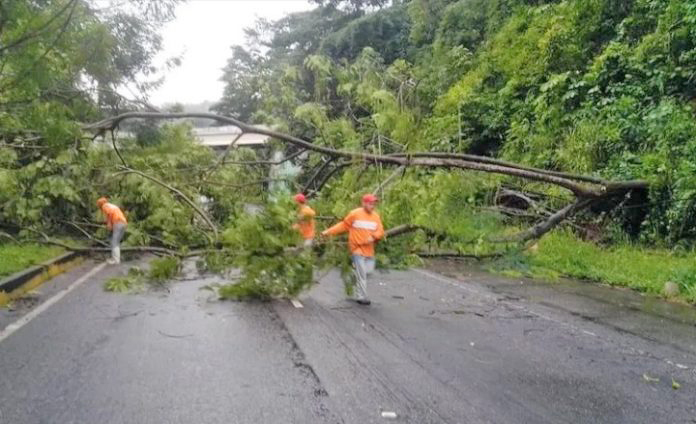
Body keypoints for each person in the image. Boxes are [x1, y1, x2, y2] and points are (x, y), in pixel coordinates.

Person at [321, 193, 384, 305]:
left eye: (374, 203)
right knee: (362, 274)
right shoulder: (354, 214)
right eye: (370, 203)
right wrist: (328, 232)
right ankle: (362, 297)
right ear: (363, 203)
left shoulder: (376, 217)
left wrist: (374, 236)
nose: (372, 206)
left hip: (369, 250)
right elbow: (343, 226)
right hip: (357, 249)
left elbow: (380, 231)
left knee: (368, 272)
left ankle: (356, 278)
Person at [96, 197, 127, 264]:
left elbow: (110, 213)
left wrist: (109, 224)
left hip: (117, 223)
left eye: (98, 204)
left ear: (100, 203)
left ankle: (115, 260)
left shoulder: (105, 206)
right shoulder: (111, 205)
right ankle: (116, 258)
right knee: (116, 242)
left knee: (114, 242)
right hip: (123, 223)